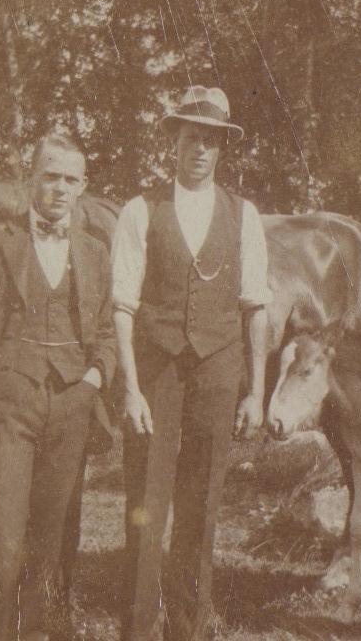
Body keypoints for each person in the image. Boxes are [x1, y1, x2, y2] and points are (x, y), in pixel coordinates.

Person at [111, 86, 272, 641]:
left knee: (201, 502)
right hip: (156, 368)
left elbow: (256, 307)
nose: (198, 150)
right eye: (189, 139)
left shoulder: (243, 214)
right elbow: (122, 308)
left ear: (222, 149)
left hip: (218, 368)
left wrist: (256, 391)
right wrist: (130, 389)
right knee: (147, 498)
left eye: (209, 141)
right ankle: (138, 624)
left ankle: (189, 624)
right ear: (173, 144)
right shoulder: (141, 210)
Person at [0, 134, 117, 641]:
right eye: (50, 176)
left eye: (71, 179)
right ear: (31, 181)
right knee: (1, 537)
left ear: (83, 187)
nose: (60, 188)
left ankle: (40, 632)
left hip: (71, 403)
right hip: (8, 403)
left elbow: (106, 332)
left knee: (50, 541)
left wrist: (94, 379)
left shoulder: (95, 252)